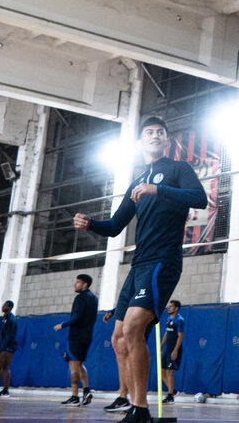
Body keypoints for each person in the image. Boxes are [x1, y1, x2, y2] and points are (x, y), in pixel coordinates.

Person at [73, 115, 207, 423]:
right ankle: (134, 404)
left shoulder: (177, 169)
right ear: (140, 142)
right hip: (138, 265)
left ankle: (141, 409)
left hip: (163, 260)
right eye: (149, 132)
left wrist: (158, 190)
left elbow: (200, 199)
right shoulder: (137, 182)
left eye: (161, 131)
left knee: (133, 328)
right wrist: (90, 223)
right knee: (119, 338)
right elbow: (115, 225)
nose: (155, 135)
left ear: (167, 140)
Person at [54, 273, 99, 407]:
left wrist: (63, 325)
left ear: (84, 285)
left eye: (78, 282)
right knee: (79, 365)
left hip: (76, 336)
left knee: (73, 366)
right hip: (87, 336)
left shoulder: (80, 298)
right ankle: (86, 390)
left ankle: (74, 396)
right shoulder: (94, 298)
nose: (75, 284)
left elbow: (77, 317)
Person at [101, 308, 131, 413]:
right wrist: (114, 311)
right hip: (127, 307)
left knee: (121, 343)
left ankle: (135, 401)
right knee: (119, 344)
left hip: (135, 307)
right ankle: (125, 398)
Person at [160, 300, 185, 405]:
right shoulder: (169, 319)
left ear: (176, 308)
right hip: (167, 349)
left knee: (170, 372)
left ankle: (170, 396)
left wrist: (175, 350)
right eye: (168, 306)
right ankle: (172, 391)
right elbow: (167, 333)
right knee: (162, 372)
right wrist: (161, 345)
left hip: (174, 349)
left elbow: (181, 336)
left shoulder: (179, 320)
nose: (168, 308)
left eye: (171, 307)